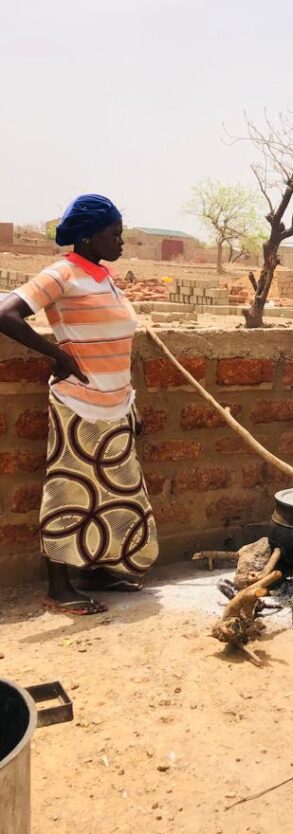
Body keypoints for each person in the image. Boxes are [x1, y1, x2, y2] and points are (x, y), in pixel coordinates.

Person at [0, 194, 158, 615]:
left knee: (112, 494)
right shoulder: (61, 274)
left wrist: (131, 406)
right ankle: (58, 588)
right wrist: (60, 356)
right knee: (70, 494)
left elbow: (117, 345)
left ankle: (98, 569)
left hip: (116, 404)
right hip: (79, 404)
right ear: (89, 236)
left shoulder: (104, 277)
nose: (122, 242)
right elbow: (6, 313)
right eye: (115, 234)